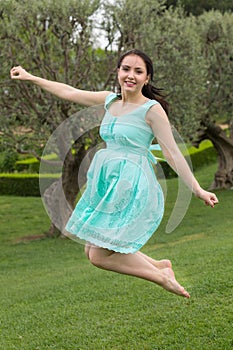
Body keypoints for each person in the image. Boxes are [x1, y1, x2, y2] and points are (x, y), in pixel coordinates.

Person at [10, 49, 218, 299]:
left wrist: (197, 189)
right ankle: (160, 266)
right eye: (126, 69)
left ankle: (161, 277)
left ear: (147, 78)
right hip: (107, 182)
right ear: (118, 72)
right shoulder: (110, 101)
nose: (131, 75)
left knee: (99, 255)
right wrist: (31, 77)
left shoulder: (152, 110)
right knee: (92, 249)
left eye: (138, 71)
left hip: (130, 184)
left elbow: (172, 153)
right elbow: (69, 92)